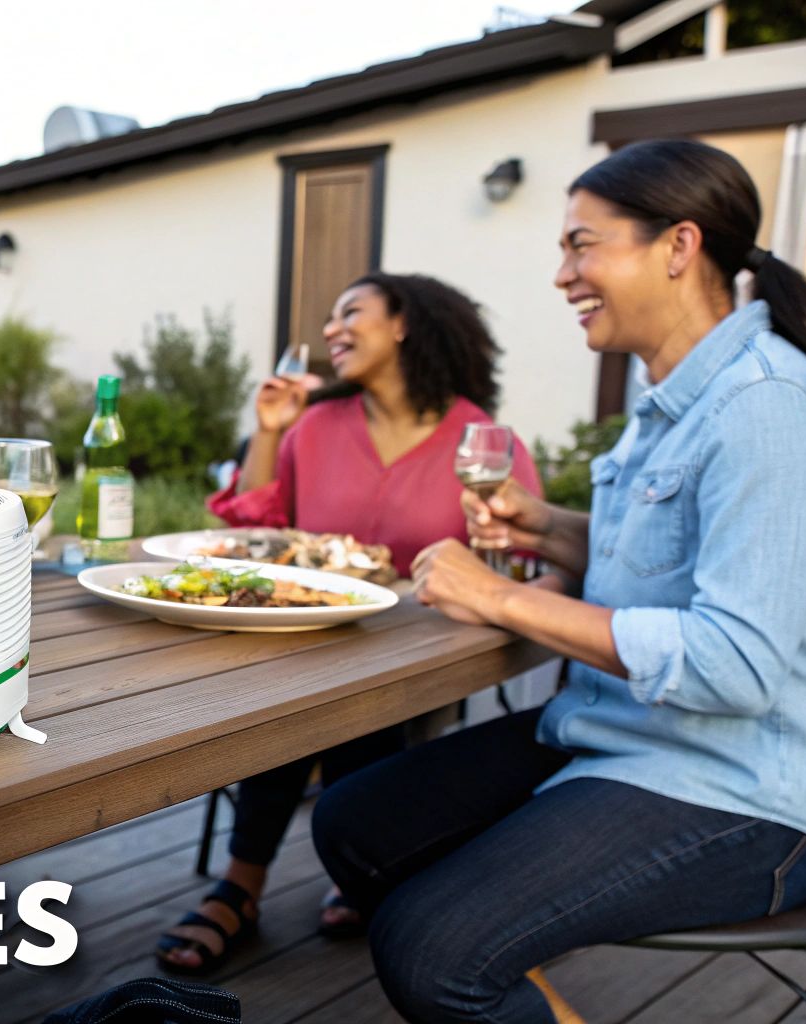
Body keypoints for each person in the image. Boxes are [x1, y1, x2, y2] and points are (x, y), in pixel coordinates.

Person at [310, 139, 806, 1023]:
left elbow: (734, 663)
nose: (562, 274)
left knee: (429, 950)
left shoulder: (768, 408)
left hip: (738, 794)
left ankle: (484, 959)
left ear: (678, 247)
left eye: (582, 245)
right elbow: (674, 561)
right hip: (615, 731)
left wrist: (503, 596)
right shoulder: (670, 401)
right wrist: (556, 532)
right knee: (352, 824)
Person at [155, 273, 542, 972]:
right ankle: (327, 873)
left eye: (351, 314)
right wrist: (269, 433)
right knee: (298, 693)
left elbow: (520, 553)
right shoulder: (316, 425)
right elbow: (258, 532)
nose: (332, 330)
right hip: (314, 640)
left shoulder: (483, 441)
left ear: (403, 324)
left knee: (343, 704)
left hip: (427, 651)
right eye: (329, 319)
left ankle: (254, 882)